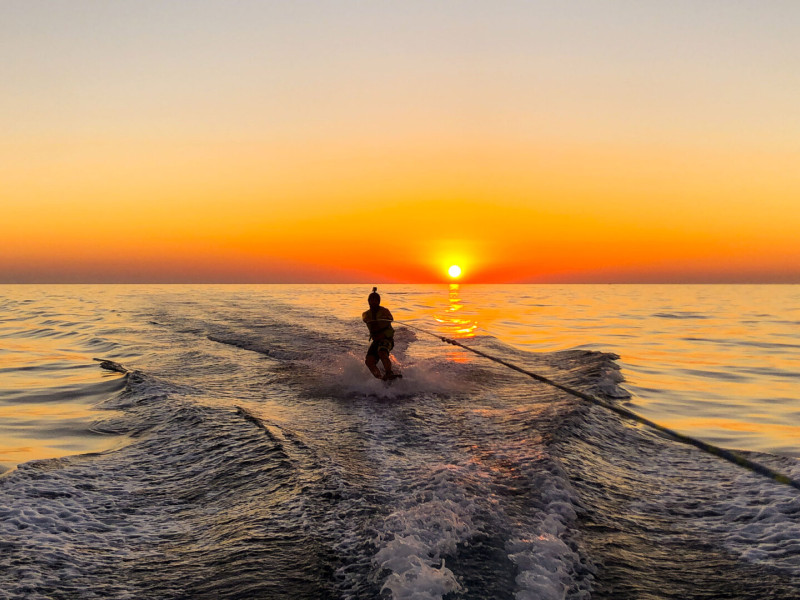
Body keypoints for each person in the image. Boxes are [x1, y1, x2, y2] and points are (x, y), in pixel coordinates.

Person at [362, 287, 398, 380]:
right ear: (368, 301)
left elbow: (390, 318)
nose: (374, 302)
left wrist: (384, 319)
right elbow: (365, 318)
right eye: (371, 300)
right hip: (376, 340)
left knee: (382, 352)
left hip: (387, 338)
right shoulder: (366, 314)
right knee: (369, 361)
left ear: (379, 301)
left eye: (376, 300)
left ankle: (389, 373)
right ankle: (380, 378)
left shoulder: (384, 311)